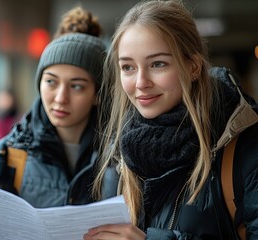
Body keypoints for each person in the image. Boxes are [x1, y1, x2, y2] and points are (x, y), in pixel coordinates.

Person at [85, 1, 258, 239]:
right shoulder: (119, 154)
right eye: (128, 67)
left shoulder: (245, 147)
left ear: (193, 67)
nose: (140, 82)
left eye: (157, 64)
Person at [0, 6, 117, 208]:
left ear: (98, 95)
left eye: (76, 86)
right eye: (51, 82)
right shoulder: (7, 155)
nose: (60, 98)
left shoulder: (121, 158)